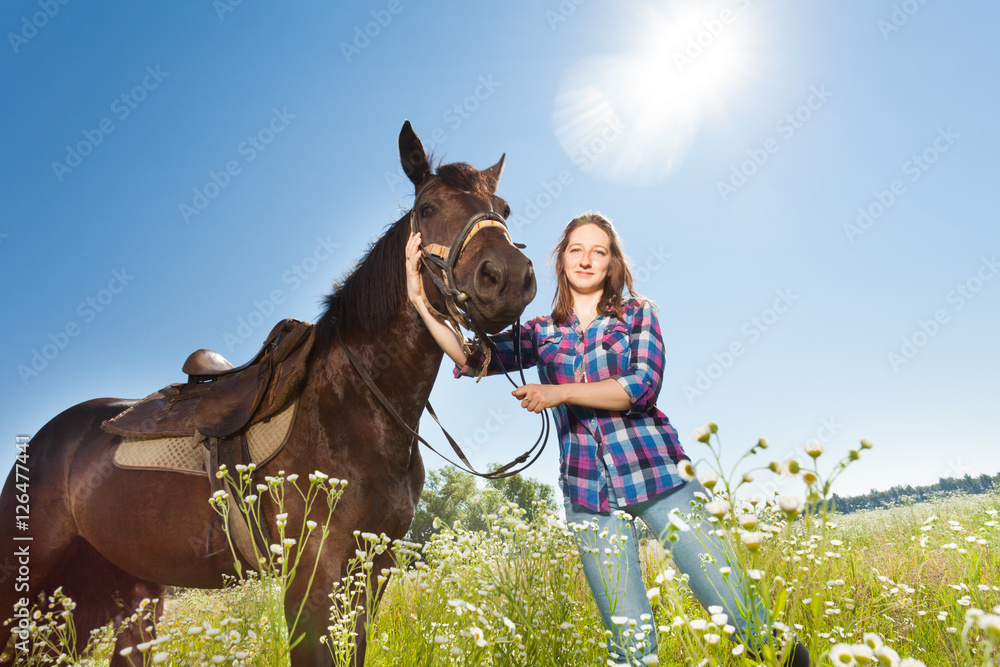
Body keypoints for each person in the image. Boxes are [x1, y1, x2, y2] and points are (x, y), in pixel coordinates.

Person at [405, 212, 809, 666]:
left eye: (599, 251)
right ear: (562, 260)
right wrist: (421, 301)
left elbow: (640, 387)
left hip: (659, 476)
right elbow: (470, 355)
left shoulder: (639, 314)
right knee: (629, 644)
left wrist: (558, 392)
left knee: (739, 610)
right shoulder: (539, 332)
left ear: (611, 261)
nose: (586, 259)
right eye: (576, 249)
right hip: (587, 492)